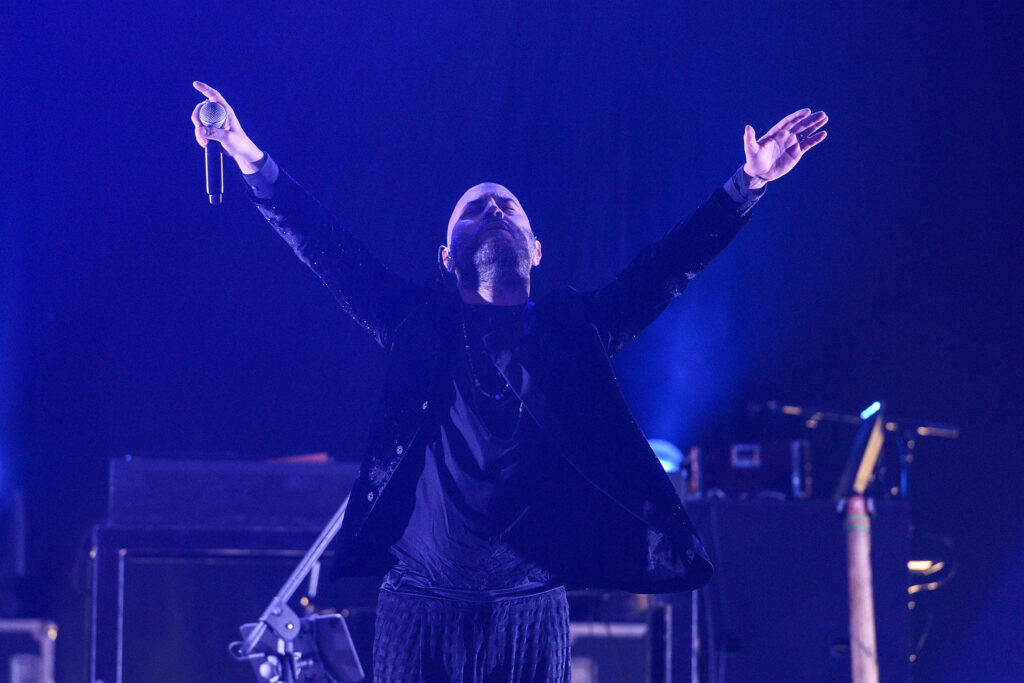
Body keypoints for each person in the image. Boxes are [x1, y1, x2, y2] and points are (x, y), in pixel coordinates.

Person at [190, 81, 827, 682]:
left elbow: (667, 268)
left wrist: (747, 184)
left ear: (536, 249)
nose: (493, 209)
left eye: (507, 206)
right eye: (474, 210)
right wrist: (246, 154)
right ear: (448, 257)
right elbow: (326, 248)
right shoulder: (418, 324)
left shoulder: (573, 330)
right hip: (421, 604)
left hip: (533, 609)